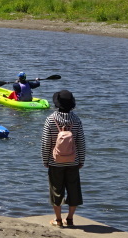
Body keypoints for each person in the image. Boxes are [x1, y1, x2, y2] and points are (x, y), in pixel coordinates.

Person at [40, 90, 86, 228]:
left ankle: (58, 220)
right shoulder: (76, 120)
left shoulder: (50, 119)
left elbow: (46, 142)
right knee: (74, 190)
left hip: (55, 162)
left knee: (56, 190)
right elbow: (81, 143)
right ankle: (70, 218)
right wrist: (81, 160)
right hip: (73, 161)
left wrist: (45, 160)